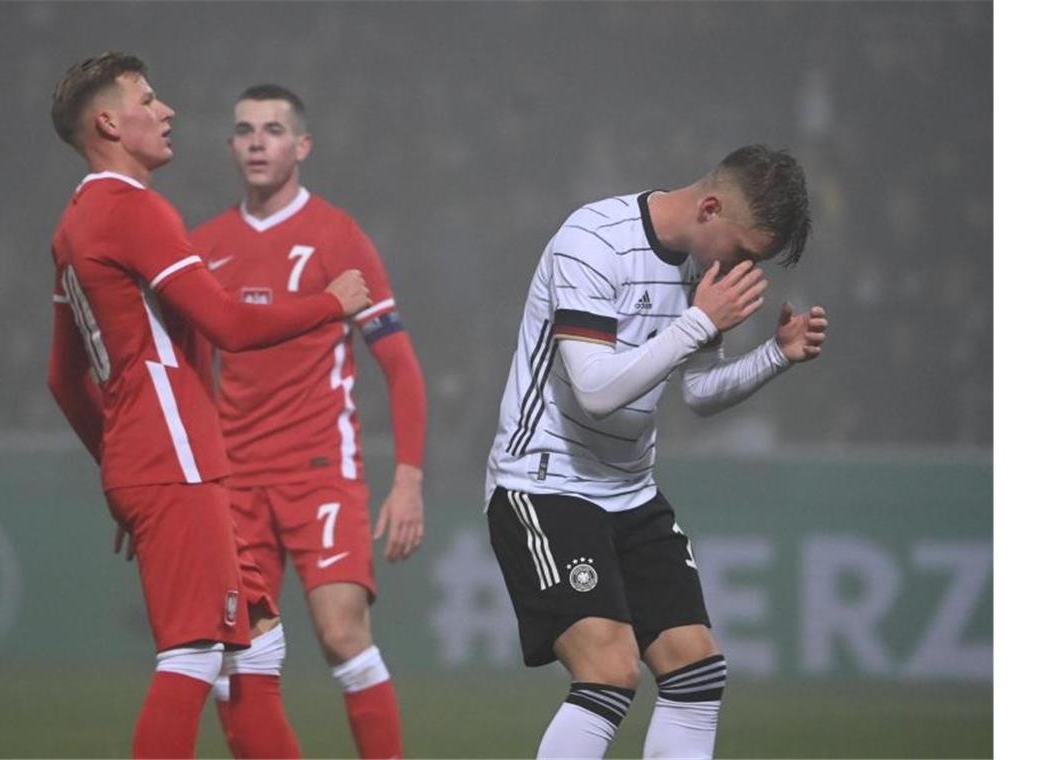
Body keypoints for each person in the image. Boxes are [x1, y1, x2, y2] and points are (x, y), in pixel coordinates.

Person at [46, 52, 370, 759]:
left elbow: (63, 380)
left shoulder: (74, 223)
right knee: (192, 654)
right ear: (109, 121)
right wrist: (330, 304)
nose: (167, 113)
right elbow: (228, 324)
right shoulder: (133, 211)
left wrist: (121, 467)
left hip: (162, 462)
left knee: (256, 647)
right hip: (176, 462)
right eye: (149, 99)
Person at [484, 145, 827, 759]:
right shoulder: (593, 241)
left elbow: (697, 389)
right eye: (745, 251)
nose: (746, 270)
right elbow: (595, 391)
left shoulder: (703, 269)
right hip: (544, 482)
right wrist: (698, 323)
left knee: (696, 670)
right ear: (711, 207)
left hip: (630, 490)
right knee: (610, 672)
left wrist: (775, 355)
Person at [190, 84, 427, 759]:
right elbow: (189, 375)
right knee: (240, 657)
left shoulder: (337, 236)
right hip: (232, 480)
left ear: (302, 146)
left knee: (341, 633)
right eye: (244, 130)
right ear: (231, 145)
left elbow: (402, 367)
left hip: (319, 468)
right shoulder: (204, 247)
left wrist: (407, 477)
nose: (257, 141)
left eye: (272, 129)